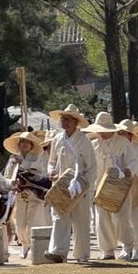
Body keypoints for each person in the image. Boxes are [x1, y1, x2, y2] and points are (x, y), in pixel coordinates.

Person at [44, 104, 96, 264]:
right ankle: (58, 252)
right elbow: (51, 161)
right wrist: (51, 171)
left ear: (75, 122)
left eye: (68, 119)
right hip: (61, 183)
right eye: (63, 119)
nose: (64, 122)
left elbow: (92, 166)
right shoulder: (57, 139)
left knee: (81, 220)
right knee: (60, 217)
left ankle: (82, 254)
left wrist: (87, 185)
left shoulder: (84, 141)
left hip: (79, 184)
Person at [83, 112, 137, 261]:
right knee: (102, 219)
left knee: (122, 217)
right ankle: (107, 249)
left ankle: (127, 246)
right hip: (100, 186)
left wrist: (128, 170)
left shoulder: (123, 142)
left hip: (120, 185)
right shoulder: (93, 144)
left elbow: (133, 161)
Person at [4, 131, 49, 259]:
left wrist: (22, 164)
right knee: (19, 222)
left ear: (31, 145)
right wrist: (10, 183)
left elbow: (40, 174)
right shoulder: (13, 158)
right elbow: (8, 175)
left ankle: (34, 246)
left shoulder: (36, 158)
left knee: (33, 220)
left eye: (27, 142)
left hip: (34, 194)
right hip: (19, 194)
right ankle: (24, 245)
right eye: (22, 142)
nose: (24, 144)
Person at [117, 119, 138, 260]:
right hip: (120, 187)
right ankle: (126, 246)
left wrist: (131, 171)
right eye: (120, 132)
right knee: (122, 219)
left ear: (130, 134)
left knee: (135, 218)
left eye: (124, 133)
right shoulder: (117, 147)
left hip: (135, 186)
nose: (121, 135)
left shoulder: (137, 148)